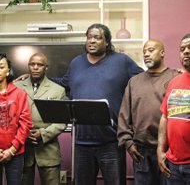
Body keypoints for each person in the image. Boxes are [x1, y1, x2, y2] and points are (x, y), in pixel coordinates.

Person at [50, 23, 144, 185]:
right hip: (80, 143)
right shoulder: (76, 63)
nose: (92, 41)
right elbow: (63, 82)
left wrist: (169, 75)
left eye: (97, 37)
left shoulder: (122, 61)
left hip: (112, 142)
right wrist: (33, 78)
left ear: (107, 42)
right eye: (89, 37)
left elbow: (145, 80)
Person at [117, 39, 179, 185]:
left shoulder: (175, 77)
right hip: (141, 151)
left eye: (151, 50)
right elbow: (124, 114)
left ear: (162, 52)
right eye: (144, 51)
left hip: (169, 150)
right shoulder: (134, 82)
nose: (146, 54)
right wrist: (128, 142)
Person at [15, 53, 67, 185]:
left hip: (48, 150)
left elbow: (61, 121)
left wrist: (43, 134)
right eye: (32, 64)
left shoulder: (58, 90)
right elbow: (10, 117)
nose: (36, 67)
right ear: (28, 66)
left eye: (40, 65)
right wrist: (23, 133)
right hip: (22, 149)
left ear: (46, 67)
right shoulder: (16, 87)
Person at [157, 34, 190, 185]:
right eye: (182, 49)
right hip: (173, 165)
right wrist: (160, 149)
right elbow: (165, 117)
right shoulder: (174, 82)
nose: (186, 52)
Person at [0, 53, 32, 185]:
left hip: (15, 153)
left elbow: (25, 124)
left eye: (1, 67)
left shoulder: (19, 94)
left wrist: (12, 150)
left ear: (8, 71)